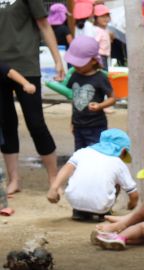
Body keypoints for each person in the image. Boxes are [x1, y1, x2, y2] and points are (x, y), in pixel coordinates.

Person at [0, 0, 66, 195]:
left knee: (35, 122)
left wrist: (57, 60)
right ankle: (14, 179)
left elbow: (44, 24)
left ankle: (54, 177)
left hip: (26, 63)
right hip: (0, 67)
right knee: (5, 122)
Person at [46, 128, 137, 221]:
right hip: (101, 205)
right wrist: (131, 205)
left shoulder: (82, 152)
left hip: (74, 201)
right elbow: (133, 195)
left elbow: (66, 169)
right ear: (123, 151)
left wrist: (54, 188)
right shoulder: (118, 163)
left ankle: (79, 212)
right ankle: (104, 212)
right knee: (117, 182)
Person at [63, 36, 114, 151]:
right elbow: (74, 97)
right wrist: (72, 122)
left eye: (79, 63)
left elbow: (112, 98)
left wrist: (100, 106)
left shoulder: (100, 77)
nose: (75, 66)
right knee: (80, 154)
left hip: (96, 126)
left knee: (95, 154)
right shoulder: (75, 75)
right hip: (78, 125)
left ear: (93, 60)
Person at [91, 4, 113, 68]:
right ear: (95, 18)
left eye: (107, 16)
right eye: (102, 17)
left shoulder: (105, 29)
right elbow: (94, 44)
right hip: (100, 56)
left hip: (105, 56)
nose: (105, 19)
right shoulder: (96, 30)